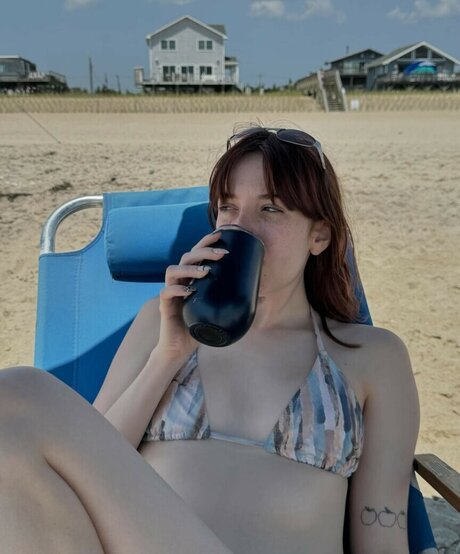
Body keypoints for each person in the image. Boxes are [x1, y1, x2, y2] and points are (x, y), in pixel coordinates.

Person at [0, 127, 419, 553]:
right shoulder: (160, 324)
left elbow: (383, 533)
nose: (241, 228)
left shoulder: (372, 356)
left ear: (319, 236)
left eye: (270, 209)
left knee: (20, 391)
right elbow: (87, 469)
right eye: (228, 208)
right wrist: (167, 356)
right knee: (11, 400)